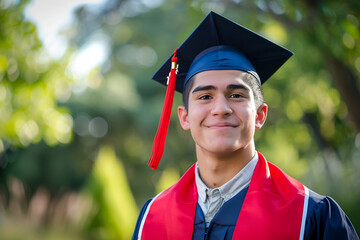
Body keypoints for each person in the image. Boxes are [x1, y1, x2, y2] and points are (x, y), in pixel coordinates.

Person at [132, 11, 359, 240]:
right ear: (184, 117)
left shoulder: (310, 215)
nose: (221, 108)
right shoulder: (153, 217)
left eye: (236, 95)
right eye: (205, 97)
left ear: (260, 114)